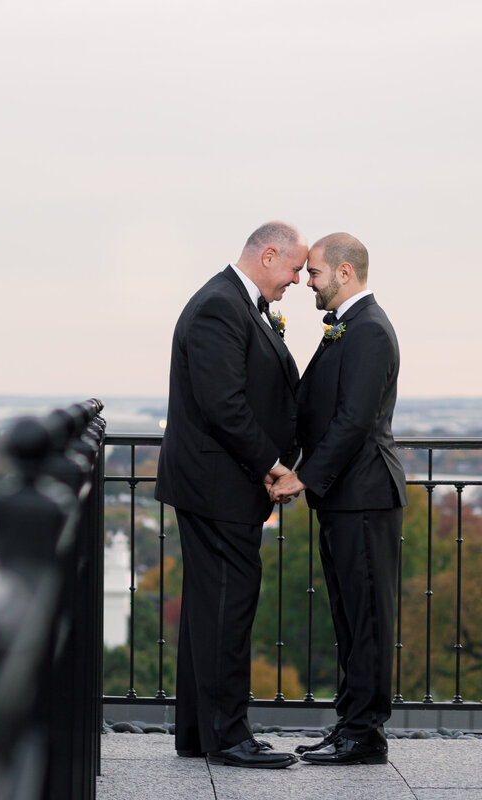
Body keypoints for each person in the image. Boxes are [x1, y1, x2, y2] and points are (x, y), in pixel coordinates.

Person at [155, 221, 305, 768]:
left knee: (207, 607)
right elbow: (223, 403)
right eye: (293, 269)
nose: (295, 282)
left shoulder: (232, 303)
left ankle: (201, 731)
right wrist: (271, 465)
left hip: (215, 482)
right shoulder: (221, 304)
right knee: (227, 608)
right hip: (218, 485)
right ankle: (229, 736)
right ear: (269, 256)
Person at [269, 232, 405, 765]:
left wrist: (302, 477)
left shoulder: (368, 330)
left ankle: (365, 735)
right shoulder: (346, 329)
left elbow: (355, 421)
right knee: (349, 619)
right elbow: (313, 405)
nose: (308, 282)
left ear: (345, 272)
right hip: (346, 498)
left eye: (317, 273)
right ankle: (349, 724)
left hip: (366, 496)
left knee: (367, 618)